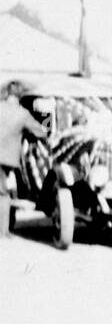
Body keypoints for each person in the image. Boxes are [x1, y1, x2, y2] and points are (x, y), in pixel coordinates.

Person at [0, 80, 48, 238]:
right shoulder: (22, 113)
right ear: (20, 96)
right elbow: (41, 132)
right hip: (6, 159)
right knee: (3, 194)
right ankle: (3, 231)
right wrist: (45, 118)